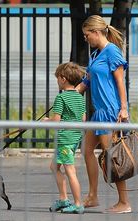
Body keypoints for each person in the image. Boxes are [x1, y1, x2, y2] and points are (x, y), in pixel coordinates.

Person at [76, 15, 131, 213]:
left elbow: (119, 82)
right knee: (87, 150)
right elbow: (87, 81)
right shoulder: (96, 55)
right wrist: (72, 92)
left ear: (96, 32)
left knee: (111, 157)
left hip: (110, 111)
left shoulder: (112, 52)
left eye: (86, 34)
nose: (85, 38)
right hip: (99, 112)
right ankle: (92, 196)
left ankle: (124, 202)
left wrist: (123, 108)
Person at [42, 62, 86, 214]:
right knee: (54, 167)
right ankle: (63, 199)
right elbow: (83, 119)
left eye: (57, 79)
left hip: (65, 139)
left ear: (63, 79)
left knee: (70, 170)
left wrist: (46, 121)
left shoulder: (61, 98)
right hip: (74, 138)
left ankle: (78, 203)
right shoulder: (80, 98)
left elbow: (56, 121)